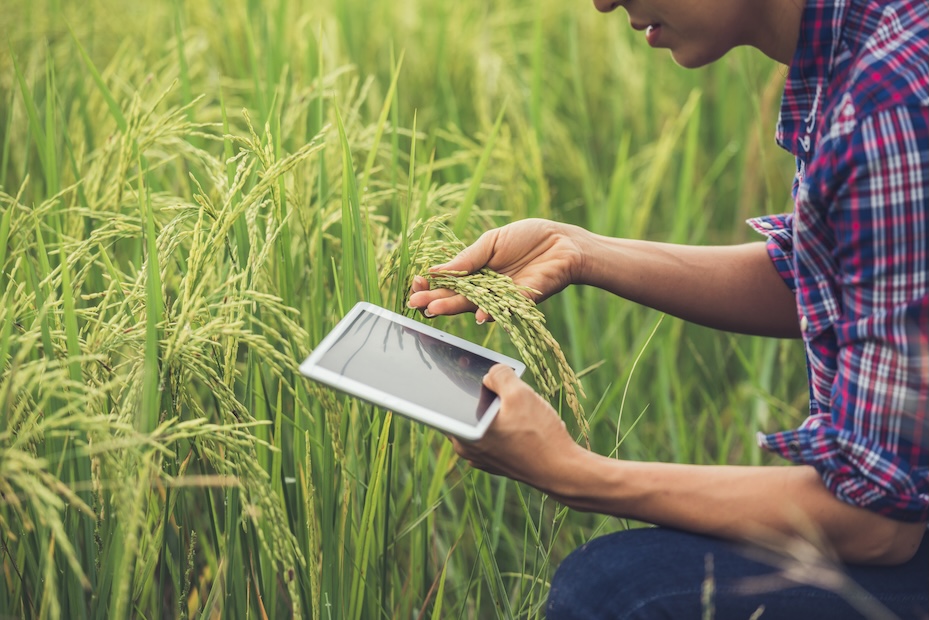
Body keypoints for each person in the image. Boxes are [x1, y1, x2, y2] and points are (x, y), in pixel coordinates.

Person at [407, 0, 929, 617]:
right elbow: (843, 280)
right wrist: (579, 250)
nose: (602, 1)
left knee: (615, 591)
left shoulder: (886, 106)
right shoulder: (861, 48)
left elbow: (876, 521)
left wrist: (571, 471)